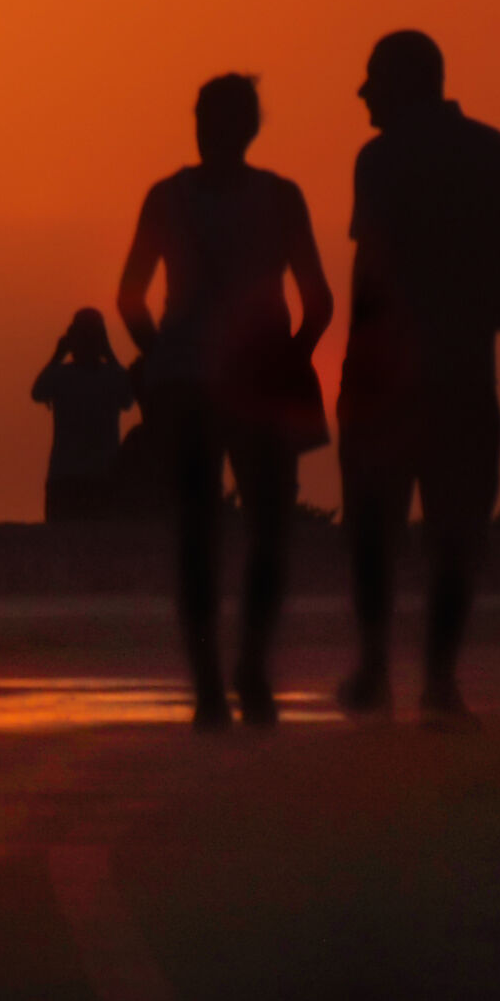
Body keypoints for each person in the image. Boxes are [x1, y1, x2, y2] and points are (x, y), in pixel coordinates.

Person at [118, 74, 332, 729]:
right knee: (269, 529)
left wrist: (158, 354)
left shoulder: (166, 197)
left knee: (195, 534)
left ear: (199, 122)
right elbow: (318, 301)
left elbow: (129, 298)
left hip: (183, 378)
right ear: (253, 126)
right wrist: (292, 354)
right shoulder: (282, 197)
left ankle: (210, 684)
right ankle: (254, 670)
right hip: (262, 375)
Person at [335, 31, 500, 730]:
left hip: (388, 377)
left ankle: (376, 670)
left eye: (372, 79)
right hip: (466, 373)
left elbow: (373, 265)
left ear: (405, 83)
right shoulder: (493, 150)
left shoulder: (380, 159)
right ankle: (439, 679)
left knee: (373, 527)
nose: (362, 94)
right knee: (456, 530)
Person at [30, 310, 133, 522]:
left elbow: (38, 391)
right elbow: (128, 397)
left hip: (73, 476)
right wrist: (110, 353)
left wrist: (58, 355)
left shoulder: (61, 376)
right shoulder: (110, 376)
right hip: (98, 476)